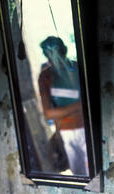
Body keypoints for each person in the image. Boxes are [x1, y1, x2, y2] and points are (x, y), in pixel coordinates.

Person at [38, 36, 89, 176]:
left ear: (64, 51)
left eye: (57, 53)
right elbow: (48, 113)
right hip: (67, 132)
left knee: (93, 171)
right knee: (79, 174)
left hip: (87, 128)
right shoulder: (46, 76)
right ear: (47, 57)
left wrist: (66, 110)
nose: (56, 58)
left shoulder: (78, 68)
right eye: (51, 54)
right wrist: (79, 106)